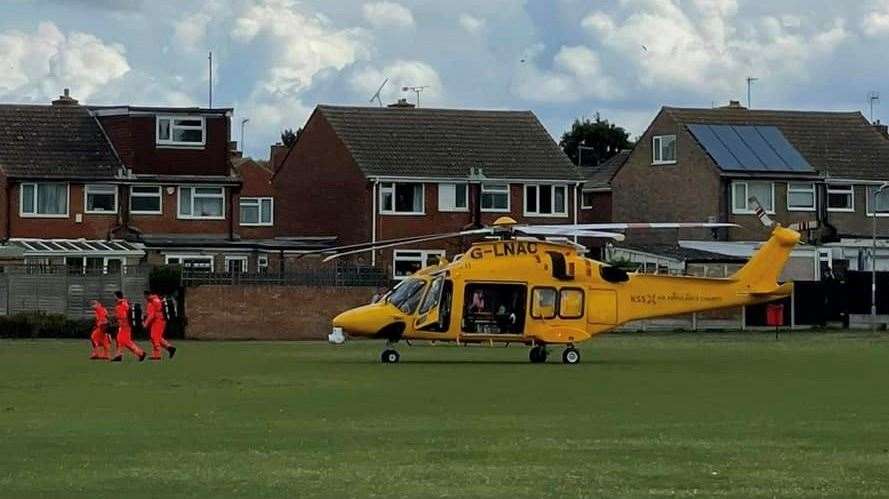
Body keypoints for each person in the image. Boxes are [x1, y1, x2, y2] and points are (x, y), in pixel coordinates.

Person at [111, 291, 146, 362]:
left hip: (125, 325)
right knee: (122, 340)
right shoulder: (124, 303)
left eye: (114, 296)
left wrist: (117, 318)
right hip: (125, 325)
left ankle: (140, 353)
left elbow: (123, 315)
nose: (113, 297)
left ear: (117, 296)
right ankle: (119, 355)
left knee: (123, 341)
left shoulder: (121, 304)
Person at [144, 290, 176, 360]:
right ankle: (170, 348)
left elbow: (151, 315)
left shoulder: (153, 302)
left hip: (158, 321)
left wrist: (145, 324)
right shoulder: (156, 300)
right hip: (159, 321)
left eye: (145, 296)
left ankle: (157, 355)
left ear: (147, 295)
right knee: (156, 337)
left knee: (154, 337)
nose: (144, 298)